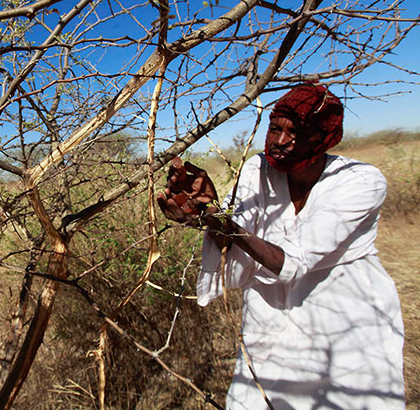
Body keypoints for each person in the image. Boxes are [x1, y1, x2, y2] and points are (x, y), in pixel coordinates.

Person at [157, 84, 405, 410]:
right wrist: (206, 214)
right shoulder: (258, 169)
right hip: (269, 319)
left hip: (345, 318)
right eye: (276, 128)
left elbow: (294, 260)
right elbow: (233, 244)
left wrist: (221, 219)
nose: (280, 142)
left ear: (323, 138)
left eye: (297, 132)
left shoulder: (361, 180)